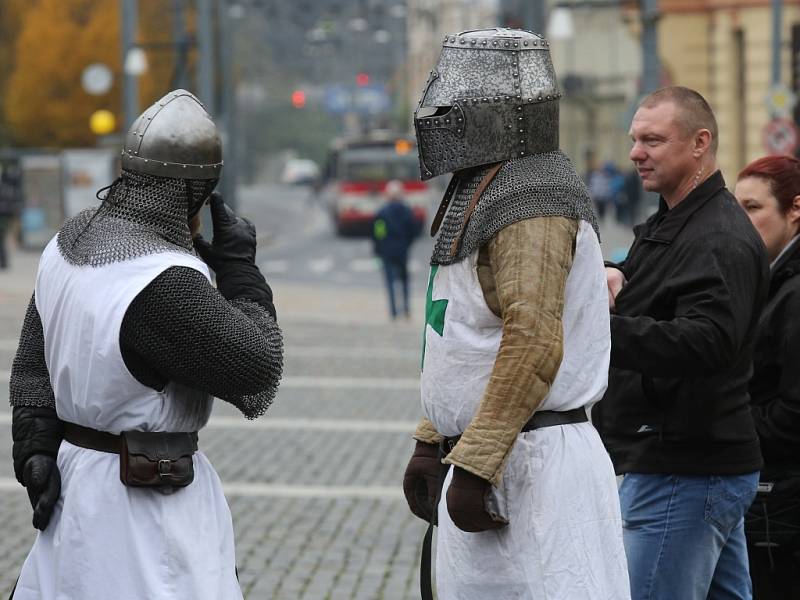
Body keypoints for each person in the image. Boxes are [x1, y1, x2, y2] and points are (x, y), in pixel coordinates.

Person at [9, 90, 283, 599]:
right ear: (197, 189)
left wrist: (36, 441)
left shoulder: (72, 241)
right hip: (144, 514)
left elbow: (33, 360)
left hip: (74, 487)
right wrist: (240, 270)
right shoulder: (161, 281)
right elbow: (257, 366)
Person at [402, 28, 630, 600]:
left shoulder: (533, 200)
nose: (439, 113)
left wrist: (475, 461)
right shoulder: (482, 190)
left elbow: (532, 342)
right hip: (496, 460)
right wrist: (432, 438)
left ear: (498, 112)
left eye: (455, 102)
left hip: (535, 471)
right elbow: (462, 337)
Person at [594, 86, 769, 600]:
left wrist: (601, 330)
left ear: (699, 143)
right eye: (634, 139)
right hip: (693, 463)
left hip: (684, 468)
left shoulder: (717, 234)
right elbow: (666, 290)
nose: (635, 153)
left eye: (652, 140)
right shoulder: (677, 220)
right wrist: (617, 274)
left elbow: (710, 340)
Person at [734, 155, 800, 599]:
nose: (741, 222)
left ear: (795, 209)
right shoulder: (772, 278)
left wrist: (726, 424)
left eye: (753, 208)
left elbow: (795, 412)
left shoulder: (794, 292)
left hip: (784, 502)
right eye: (735, 209)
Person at [372, 179, 417, 319]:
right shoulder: (407, 211)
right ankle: (406, 309)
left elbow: (378, 233)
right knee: (404, 281)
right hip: (402, 249)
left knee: (390, 281)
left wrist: (378, 248)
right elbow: (412, 231)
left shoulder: (382, 213)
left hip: (387, 250)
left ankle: (393, 312)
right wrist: (406, 244)